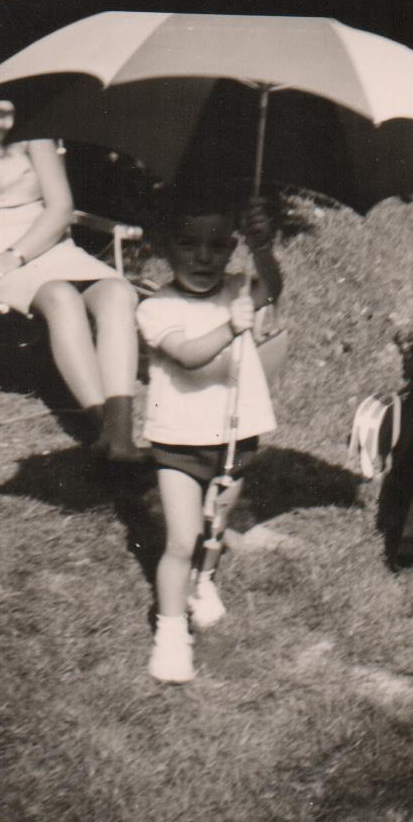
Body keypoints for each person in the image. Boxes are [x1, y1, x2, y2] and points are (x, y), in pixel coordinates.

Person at [136, 192, 282, 684]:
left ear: (231, 248)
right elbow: (187, 354)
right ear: (164, 246)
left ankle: (203, 582)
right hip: (179, 442)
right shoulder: (156, 307)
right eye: (188, 244)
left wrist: (263, 247)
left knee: (215, 525)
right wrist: (230, 327)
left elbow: (273, 286)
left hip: (234, 436)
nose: (203, 257)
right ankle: (170, 630)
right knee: (181, 539)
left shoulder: (239, 288)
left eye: (218, 246)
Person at [0, 100, 143, 462]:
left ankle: (120, 433)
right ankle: (106, 428)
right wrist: (7, 260)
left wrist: (17, 254)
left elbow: (60, 206)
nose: (5, 118)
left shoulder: (35, 135)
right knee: (61, 298)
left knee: (117, 293)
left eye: (8, 108)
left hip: (46, 243)